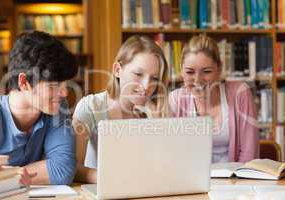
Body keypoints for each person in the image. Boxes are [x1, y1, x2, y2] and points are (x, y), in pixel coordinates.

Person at [0, 31, 78, 185]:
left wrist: (0, 177)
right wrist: (16, 176)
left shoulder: (58, 108)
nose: (65, 92)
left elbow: (62, 170)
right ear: (24, 81)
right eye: (54, 84)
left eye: (65, 83)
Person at [72, 35, 169, 183]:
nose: (145, 86)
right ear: (117, 70)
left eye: (154, 79)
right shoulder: (91, 107)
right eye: (138, 74)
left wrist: (157, 123)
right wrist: (110, 178)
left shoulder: (153, 111)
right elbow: (72, 168)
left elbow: (164, 166)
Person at [169, 34, 259, 163]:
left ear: (219, 69)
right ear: (182, 71)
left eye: (206, 72)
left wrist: (236, 181)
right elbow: (169, 155)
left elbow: (249, 153)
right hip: (190, 181)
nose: (198, 80)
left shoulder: (240, 93)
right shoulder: (175, 100)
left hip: (236, 179)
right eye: (190, 72)